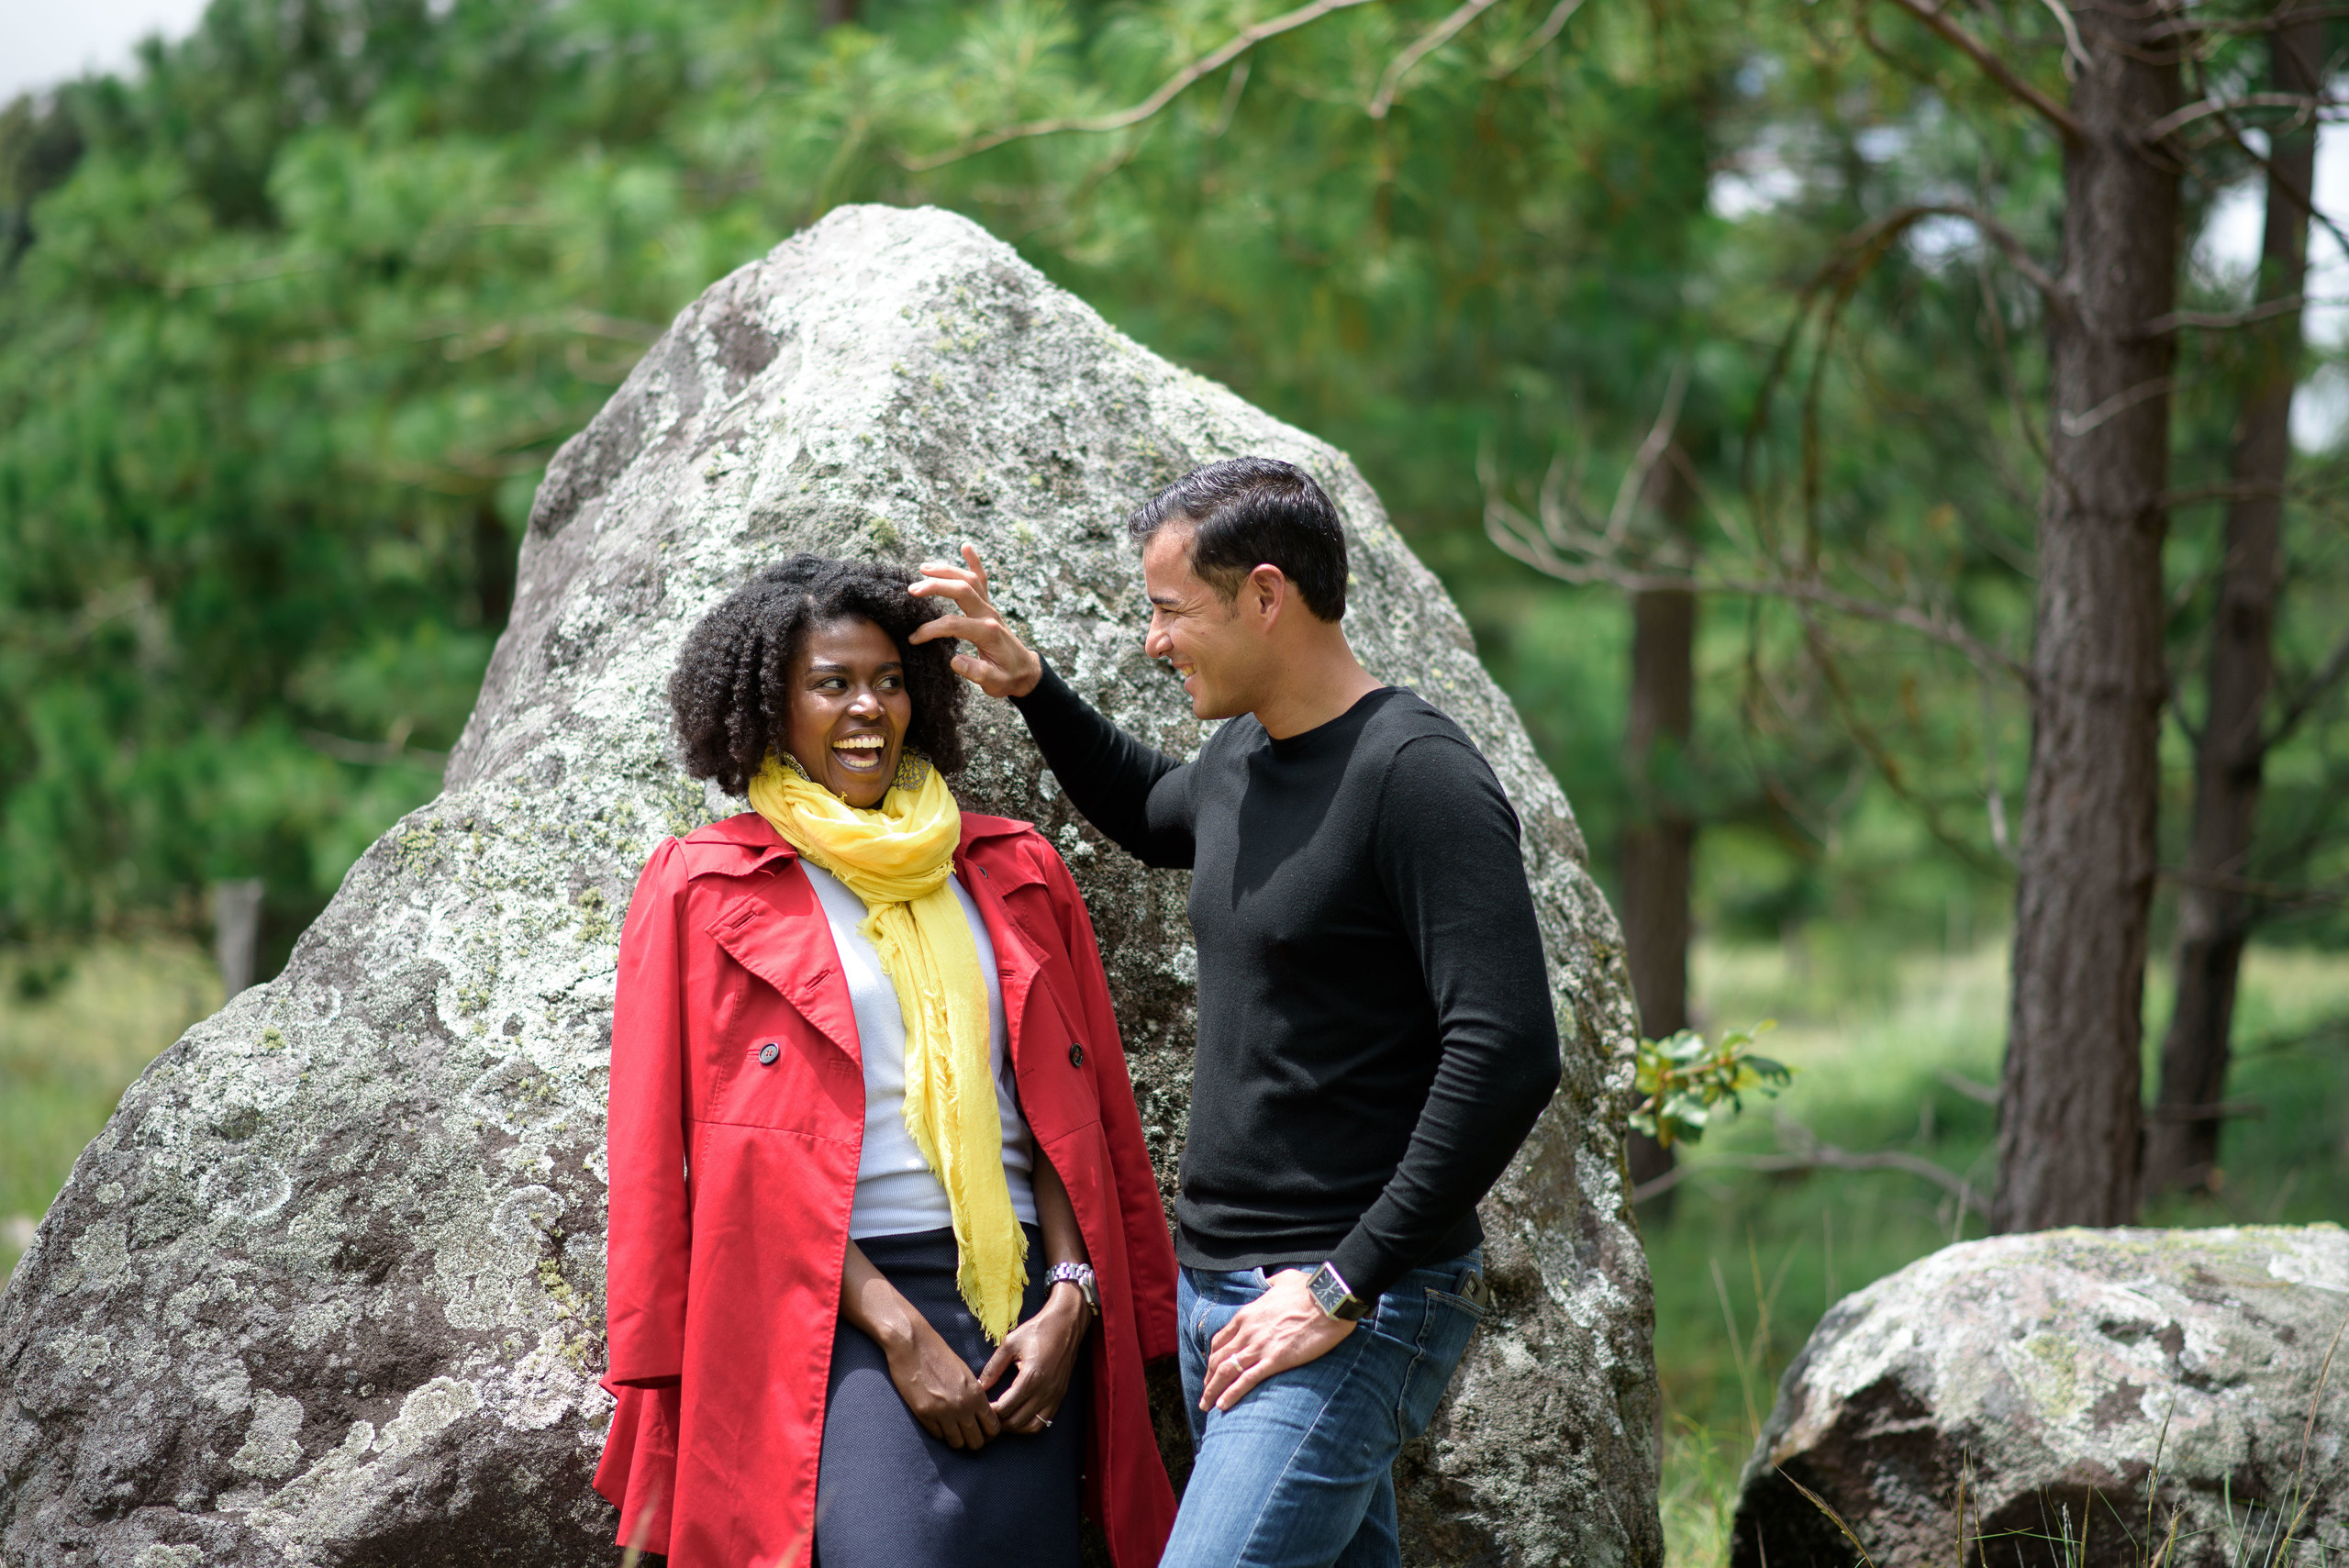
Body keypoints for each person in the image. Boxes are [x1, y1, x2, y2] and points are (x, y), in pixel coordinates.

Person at [909, 457, 1564, 1568]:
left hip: (1346, 1299)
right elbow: (1152, 808)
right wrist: (1030, 683)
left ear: (1266, 594)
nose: (1155, 640)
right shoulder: (1246, 753)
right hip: (1225, 1292)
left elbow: (1506, 1050)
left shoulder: (1417, 775)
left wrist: (1343, 1282)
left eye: (1169, 610)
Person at [594, 554, 1179, 1568]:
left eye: (890, 680)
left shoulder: (1014, 868)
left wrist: (1074, 1297)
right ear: (770, 707)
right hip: (823, 1301)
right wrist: (900, 1333)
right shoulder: (700, 885)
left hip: (1020, 1303)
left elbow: (1071, 1115)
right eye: (832, 683)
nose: (867, 707)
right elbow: (657, 1148)